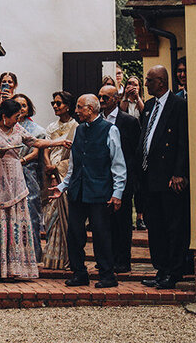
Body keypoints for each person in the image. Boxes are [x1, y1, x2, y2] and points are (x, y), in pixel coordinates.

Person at [0, 97, 48, 281]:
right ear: (4, 116)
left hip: (15, 182)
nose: (18, 120)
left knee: (14, 220)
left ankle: (14, 268)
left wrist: (59, 142)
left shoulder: (18, 129)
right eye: (15, 116)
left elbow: (36, 142)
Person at [57, 93, 125, 289]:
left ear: (91, 109)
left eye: (80, 107)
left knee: (102, 234)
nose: (76, 111)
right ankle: (79, 273)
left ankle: (107, 274)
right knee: (74, 234)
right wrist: (63, 186)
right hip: (78, 190)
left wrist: (117, 193)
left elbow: (118, 164)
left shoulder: (110, 130)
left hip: (100, 190)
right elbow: (73, 164)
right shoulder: (78, 130)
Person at [138, 65, 190, 290]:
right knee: (156, 226)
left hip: (169, 177)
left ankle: (174, 271)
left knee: (173, 226)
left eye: (149, 80)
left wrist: (179, 172)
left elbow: (182, 141)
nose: (146, 84)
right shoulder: (149, 106)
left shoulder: (178, 105)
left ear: (160, 81)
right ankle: (161, 268)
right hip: (149, 176)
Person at [98, 82, 140, 273]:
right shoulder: (96, 120)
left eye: (105, 98)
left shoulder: (128, 122)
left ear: (115, 99)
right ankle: (105, 259)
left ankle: (123, 260)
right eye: (99, 97)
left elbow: (134, 151)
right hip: (101, 177)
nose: (101, 101)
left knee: (122, 221)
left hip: (123, 177)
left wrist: (129, 178)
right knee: (103, 220)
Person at [41, 90, 77, 269]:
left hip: (64, 175)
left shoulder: (75, 127)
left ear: (68, 106)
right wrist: (48, 166)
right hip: (50, 174)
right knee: (50, 216)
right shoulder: (51, 127)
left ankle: (66, 258)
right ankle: (51, 258)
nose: (55, 106)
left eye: (58, 103)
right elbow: (46, 149)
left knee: (64, 217)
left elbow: (74, 155)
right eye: (53, 103)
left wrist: (58, 169)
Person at [13, 93, 46, 263]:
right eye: (16, 105)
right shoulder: (7, 127)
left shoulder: (38, 131)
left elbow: (36, 152)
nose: (21, 108)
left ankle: (34, 253)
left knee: (31, 212)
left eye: (24, 105)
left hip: (28, 173)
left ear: (29, 108)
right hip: (10, 175)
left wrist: (21, 160)